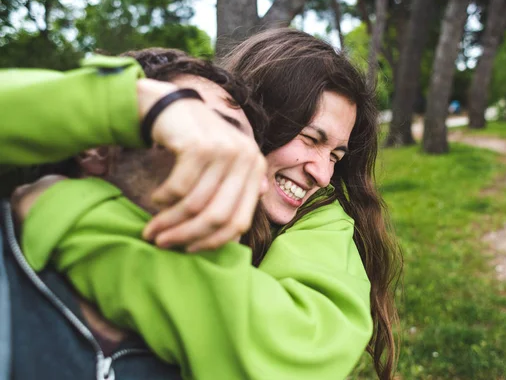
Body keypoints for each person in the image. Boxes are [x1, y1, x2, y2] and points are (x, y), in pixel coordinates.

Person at [16, 29, 402, 380]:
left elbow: (297, 347)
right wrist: (127, 103)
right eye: (308, 137)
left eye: (336, 154)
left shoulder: (321, 214)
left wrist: (64, 211)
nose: (322, 173)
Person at [0, 50, 267, 379]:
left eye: (249, 159)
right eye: (215, 133)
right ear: (97, 149)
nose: (251, 179)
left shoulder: (214, 344)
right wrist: (137, 102)